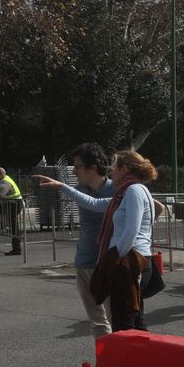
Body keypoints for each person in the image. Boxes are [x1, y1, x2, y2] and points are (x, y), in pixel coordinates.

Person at [35, 150, 156, 331]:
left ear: (123, 169)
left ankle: (132, 357)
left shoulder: (133, 191)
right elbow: (93, 203)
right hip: (130, 260)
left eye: (114, 167)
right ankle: (133, 357)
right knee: (131, 319)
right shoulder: (124, 193)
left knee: (125, 323)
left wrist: (114, 260)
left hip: (131, 261)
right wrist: (62, 186)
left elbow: (132, 230)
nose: (111, 171)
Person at [55, 143, 115, 339]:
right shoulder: (80, 188)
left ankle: (124, 364)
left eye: (78, 166)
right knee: (97, 321)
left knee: (117, 319)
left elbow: (155, 207)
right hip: (84, 260)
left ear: (93, 167)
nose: (74, 171)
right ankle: (106, 361)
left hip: (108, 262)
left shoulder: (117, 189)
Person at [0, 166, 24, 254]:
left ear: (0, 174)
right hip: (11, 204)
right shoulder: (0, 181)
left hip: (14, 204)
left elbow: (1, 195)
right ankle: (16, 249)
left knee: (13, 226)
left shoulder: (4, 182)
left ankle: (1, 226)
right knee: (13, 226)